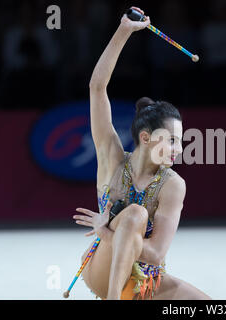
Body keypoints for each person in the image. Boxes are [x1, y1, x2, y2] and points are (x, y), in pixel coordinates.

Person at [72, 7, 211, 300]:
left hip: (143, 276)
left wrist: (107, 229)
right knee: (134, 213)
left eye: (180, 141)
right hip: (103, 269)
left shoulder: (173, 184)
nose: (178, 149)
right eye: (171, 140)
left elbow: (157, 254)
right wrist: (124, 31)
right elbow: (97, 88)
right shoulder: (112, 157)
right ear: (146, 138)